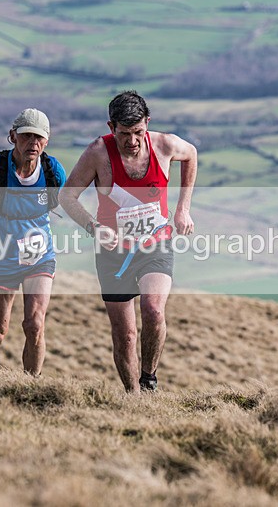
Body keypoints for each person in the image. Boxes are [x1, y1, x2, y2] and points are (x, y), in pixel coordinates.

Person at [59, 91, 197, 393]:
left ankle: (149, 379)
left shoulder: (165, 145)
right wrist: (93, 227)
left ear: (147, 123)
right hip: (112, 252)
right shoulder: (98, 153)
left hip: (155, 244)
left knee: (154, 309)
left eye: (138, 132)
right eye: (124, 134)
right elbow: (66, 196)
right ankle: (133, 397)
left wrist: (183, 208)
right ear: (112, 127)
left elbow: (192, 155)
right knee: (126, 335)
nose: (132, 141)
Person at [0, 108, 66, 375]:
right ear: (13, 136)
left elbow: (58, 200)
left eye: (39, 137)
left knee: (34, 325)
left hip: (39, 257)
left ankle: (30, 384)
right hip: (0, 258)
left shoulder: (53, 171)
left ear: (47, 140)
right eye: (26, 136)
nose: (33, 143)